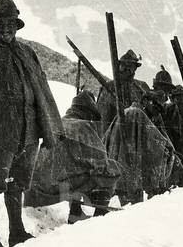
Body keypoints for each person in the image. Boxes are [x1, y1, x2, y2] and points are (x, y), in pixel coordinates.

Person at [0, 0, 63, 247]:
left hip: (28, 132)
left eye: (11, 24)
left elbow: (41, 90)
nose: (6, 29)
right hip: (0, 134)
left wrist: (47, 126)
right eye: (1, 24)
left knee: (17, 183)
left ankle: (16, 232)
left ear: (16, 26)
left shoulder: (27, 53)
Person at [24, 89, 121, 223]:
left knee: (77, 169)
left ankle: (76, 212)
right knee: (110, 168)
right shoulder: (83, 126)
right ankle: (100, 214)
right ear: (88, 111)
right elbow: (102, 160)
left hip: (36, 188)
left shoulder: (58, 123)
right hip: (58, 187)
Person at [97, 49, 150, 129]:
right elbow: (102, 118)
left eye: (131, 65)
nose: (127, 68)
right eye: (124, 64)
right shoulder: (109, 87)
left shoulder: (141, 87)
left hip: (136, 134)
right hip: (113, 134)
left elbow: (147, 116)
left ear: (135, 68)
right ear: (119, 66)